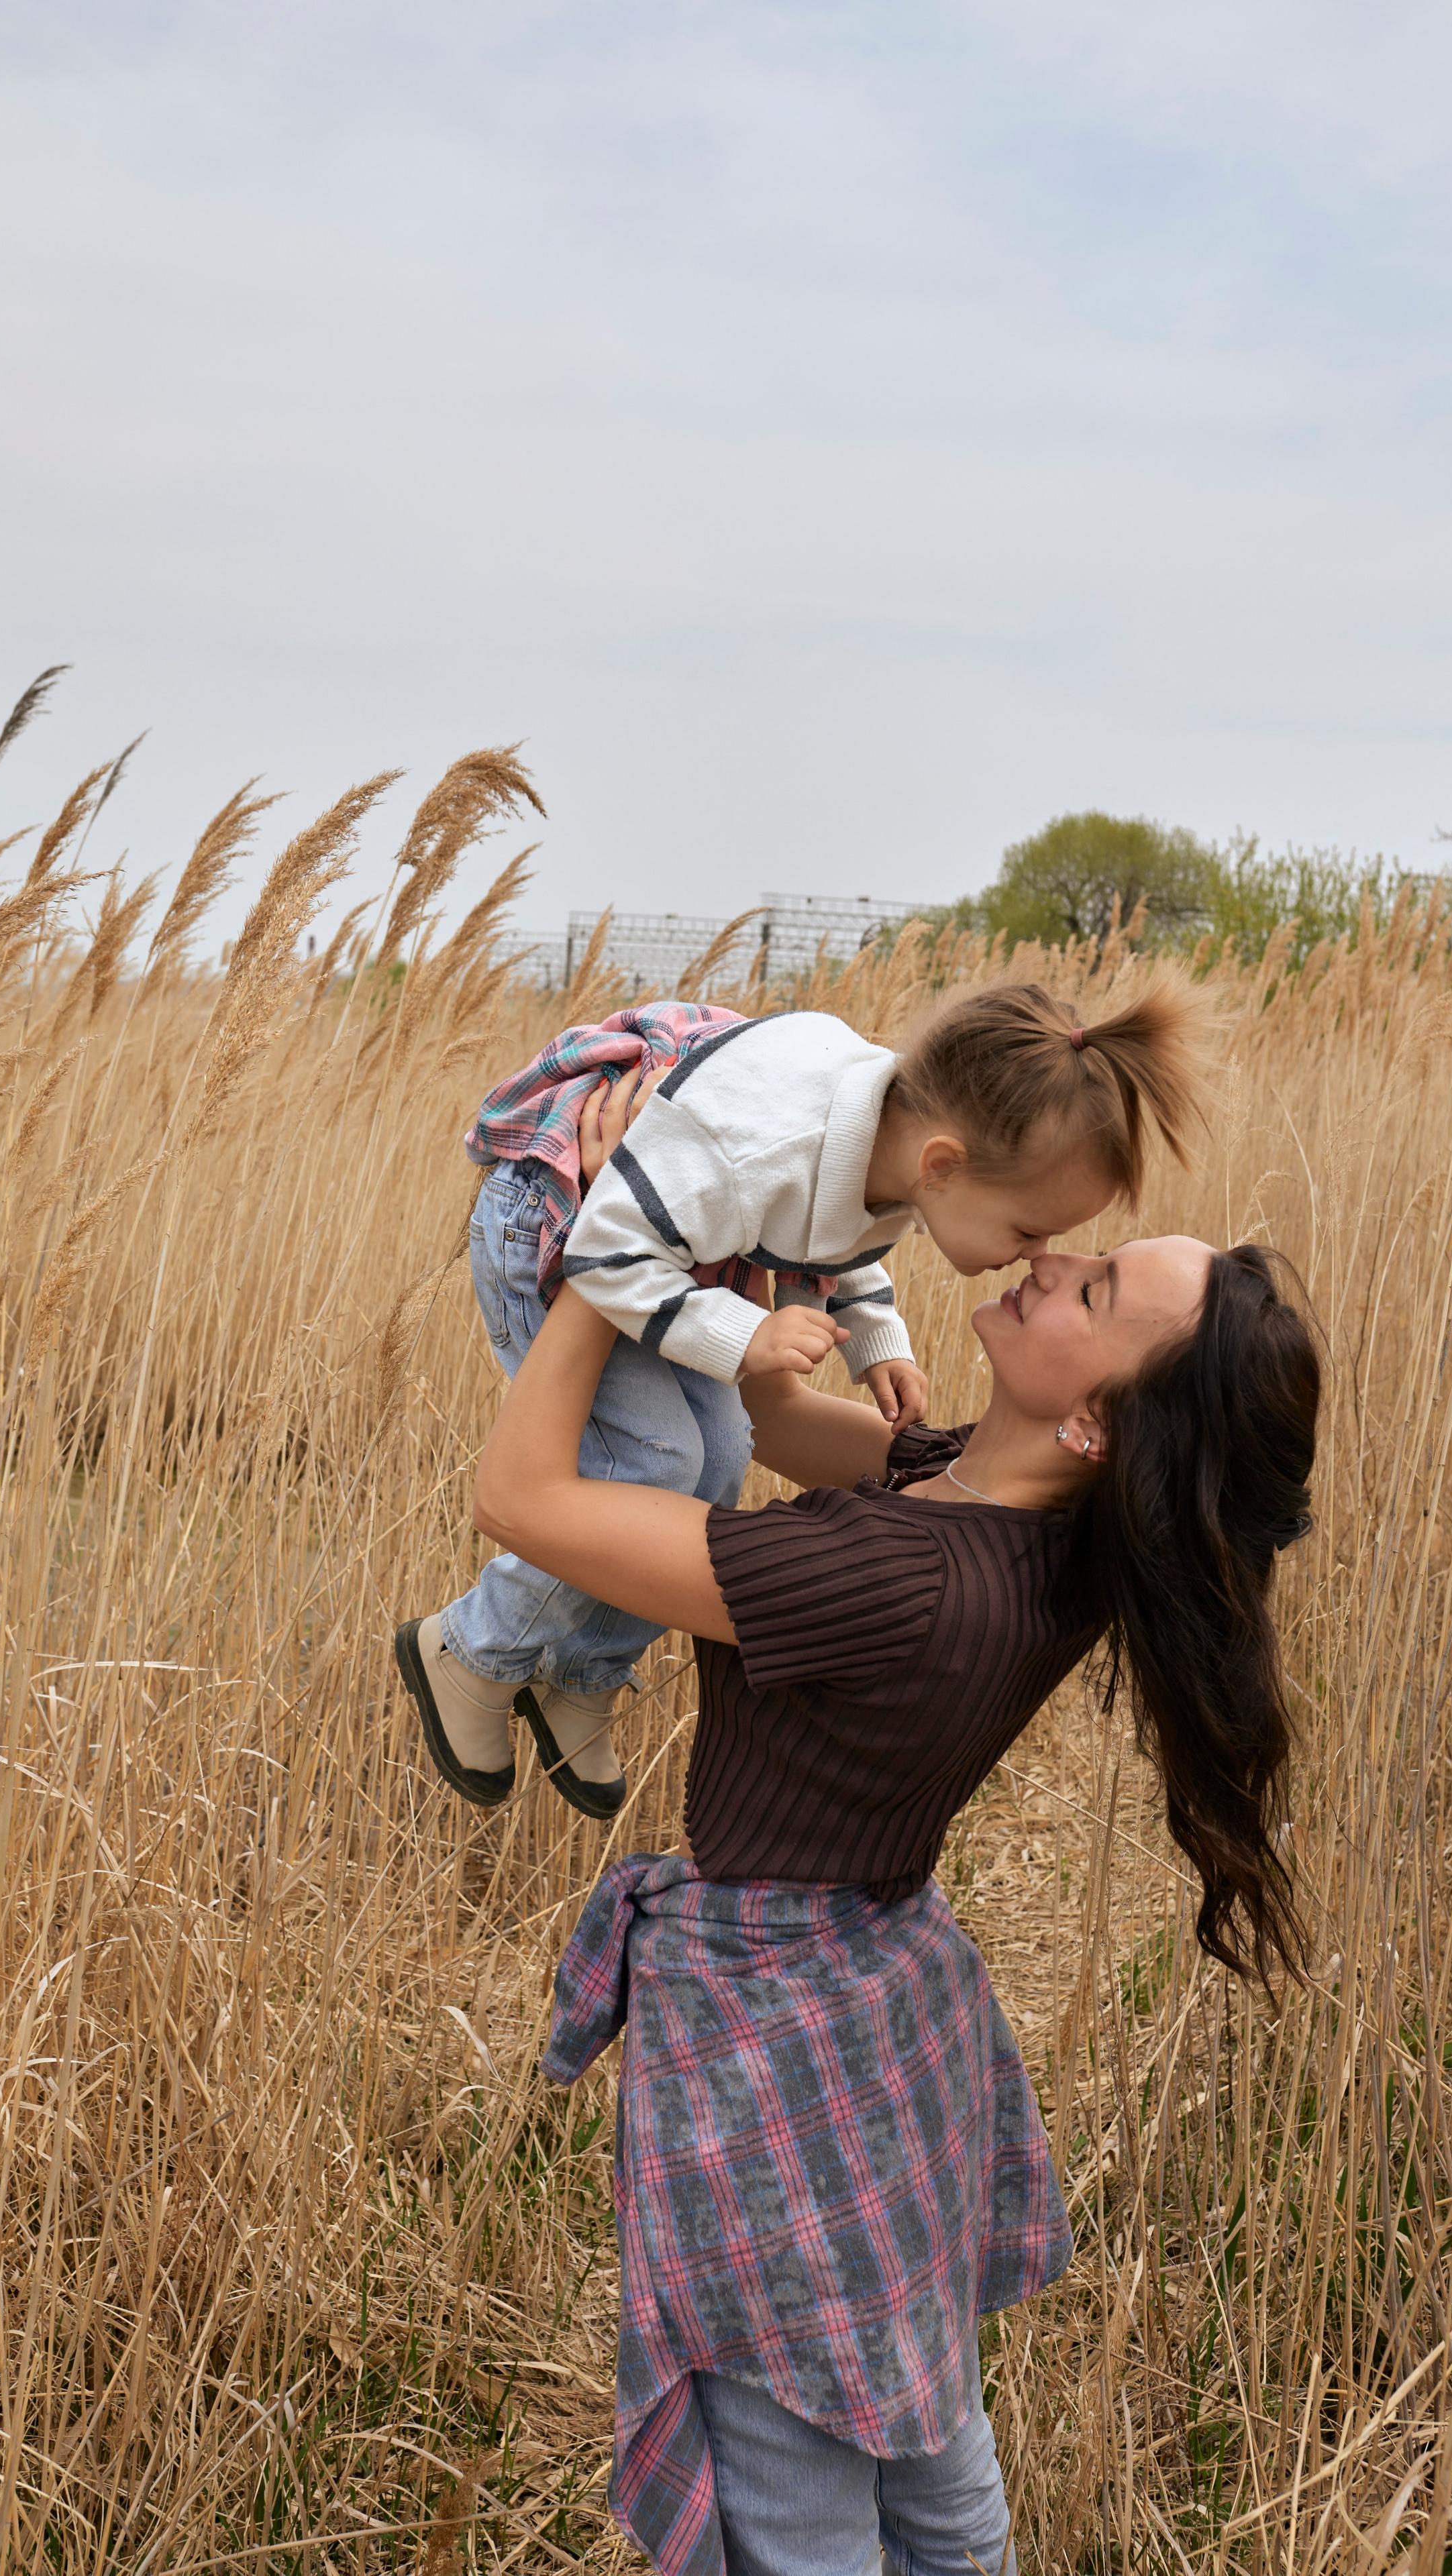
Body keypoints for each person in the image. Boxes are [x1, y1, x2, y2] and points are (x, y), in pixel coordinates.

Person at [466, 1097, 1320, 2576]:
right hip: (879, 2010)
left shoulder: (894, 1576)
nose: (1052, 1258)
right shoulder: (1022, 1522)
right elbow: (792, 1432)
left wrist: (614, 1254)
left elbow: (518, 1499)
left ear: (1098, 1425)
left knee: (790, 2466)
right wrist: (746, 1284)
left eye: (1096, 1293)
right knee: (922, 2430)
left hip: (778, 2048)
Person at [400, 977, 1208, 1821]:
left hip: (668, 1243)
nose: (1041, 1257)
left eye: (1083, 1277)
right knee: (657, 1460)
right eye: (1029, 1229)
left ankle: (581, 1671)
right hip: (559, 1219)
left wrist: (872, 1341)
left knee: (719, 1456)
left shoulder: (891, 1146)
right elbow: (612, 1253)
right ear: (940, 1166)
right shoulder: (775, 1148)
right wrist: (748, 1334)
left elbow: (835, 1233)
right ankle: (472, 1651)